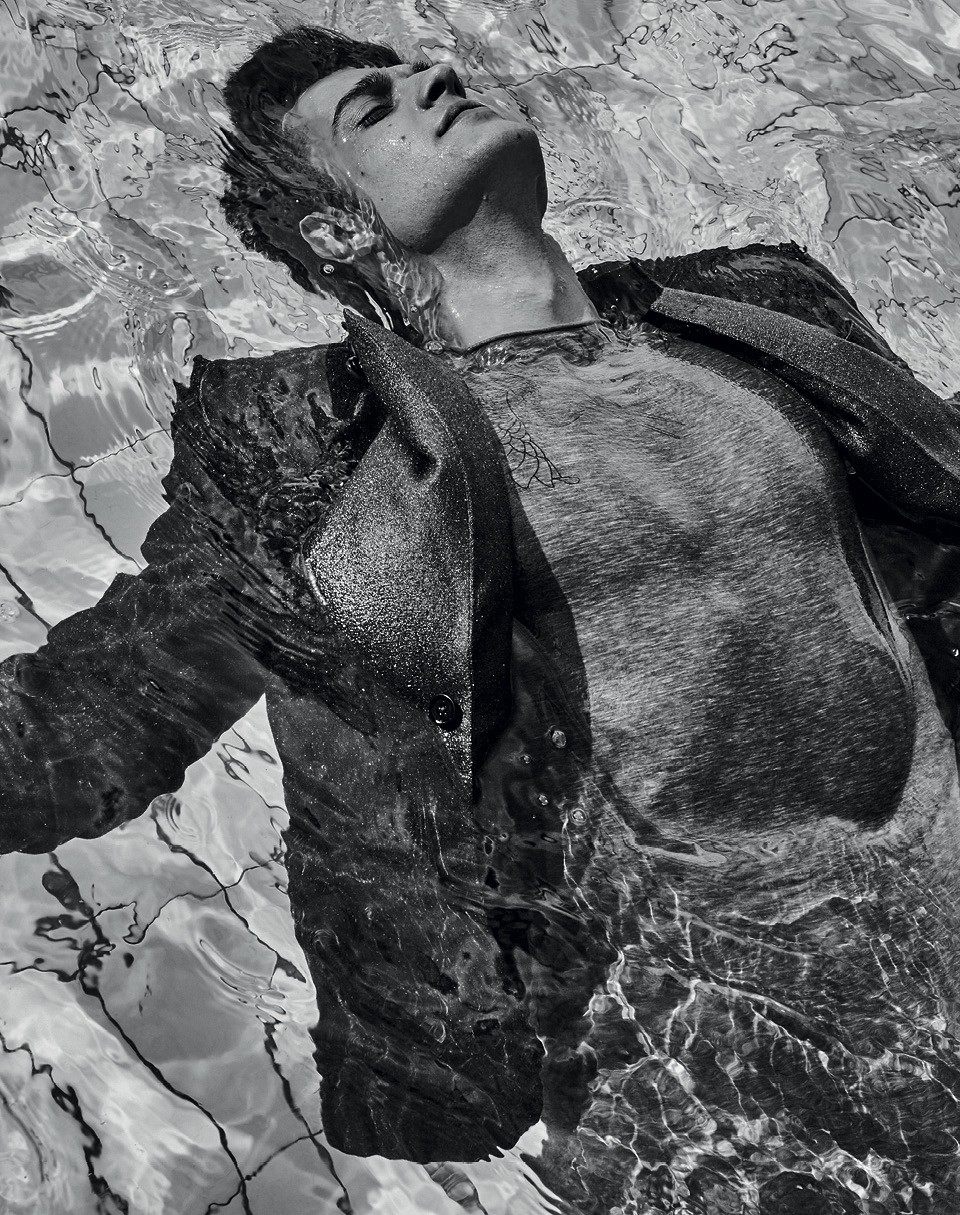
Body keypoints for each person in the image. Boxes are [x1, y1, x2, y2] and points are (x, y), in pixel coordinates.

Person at [3, 23, 960, 1211]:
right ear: (338, 231)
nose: (437, 81)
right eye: (376, 106)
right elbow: (85, 724)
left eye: (428, 72)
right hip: (702, 1054)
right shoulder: (313, 458)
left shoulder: (754, 306)